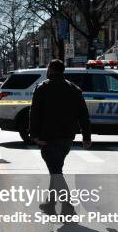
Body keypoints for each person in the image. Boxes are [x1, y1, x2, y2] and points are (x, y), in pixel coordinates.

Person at [29, 59, 92, 215]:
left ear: (50, 69)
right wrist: (86, 137)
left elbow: (34, 114)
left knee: (56, 172)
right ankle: (50, 204)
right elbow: (84, 116)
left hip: (47, 137)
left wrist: (34, 135)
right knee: (56, 169)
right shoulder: (74, 89)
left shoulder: (42, 88)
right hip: (67, 138)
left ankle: (68, 207)